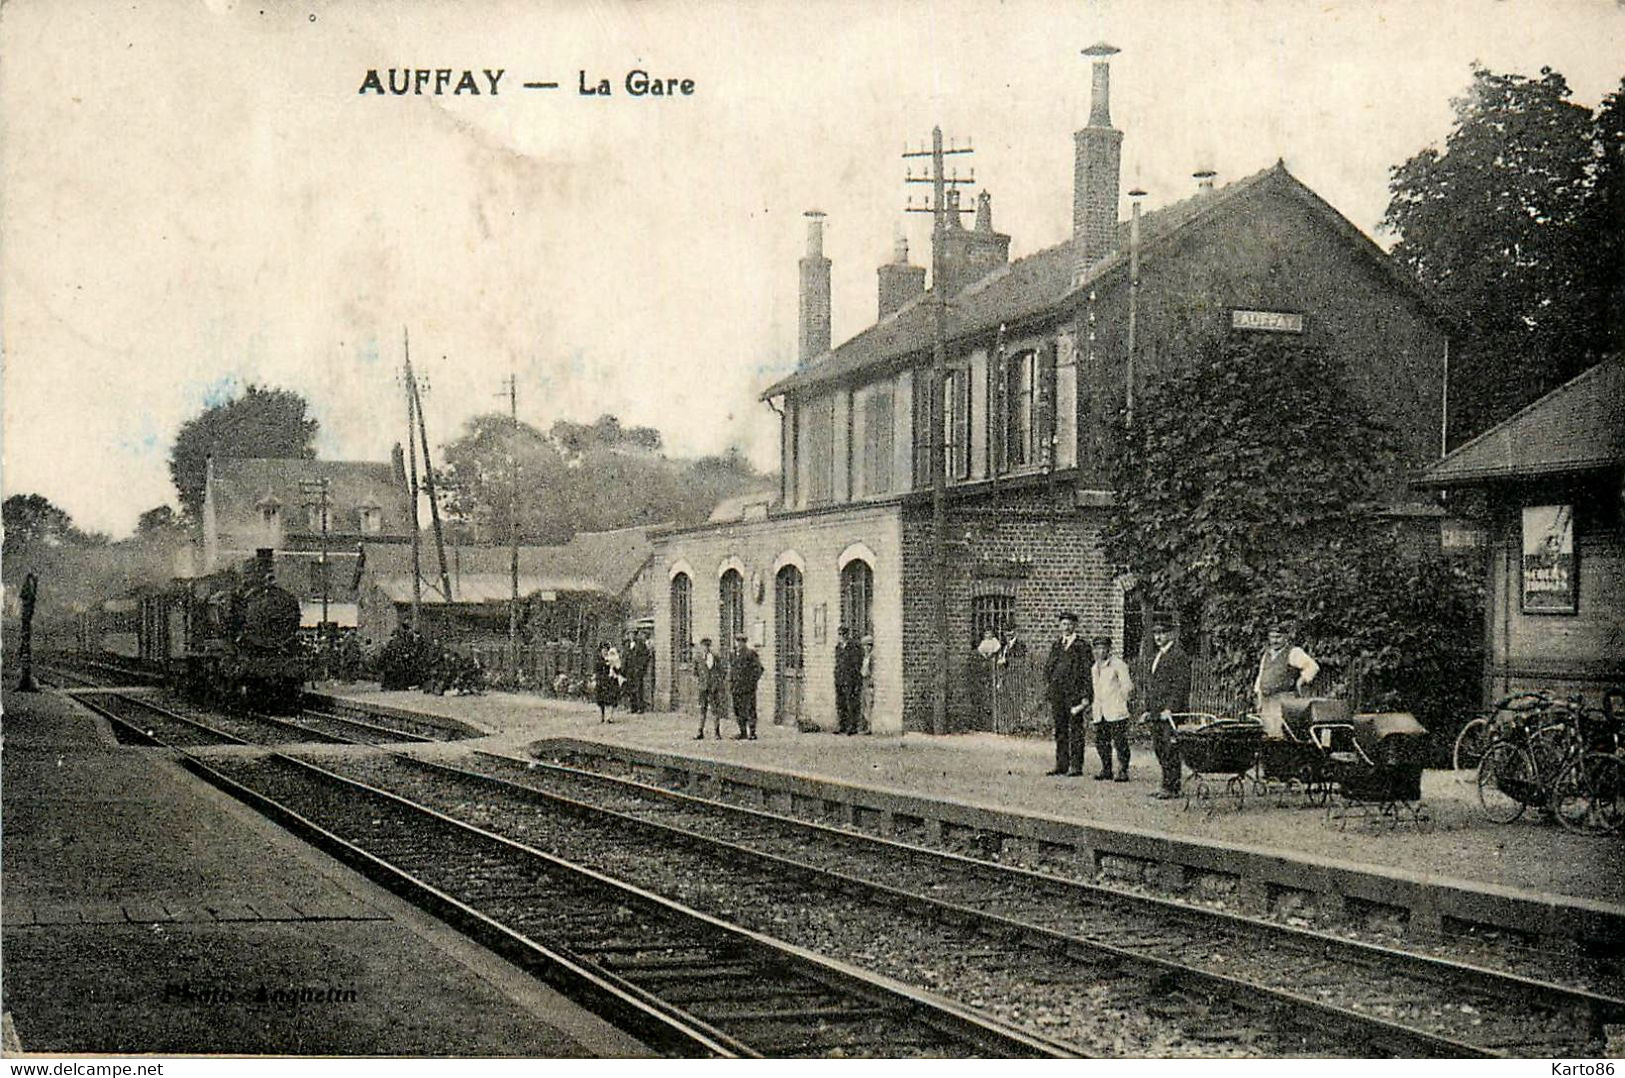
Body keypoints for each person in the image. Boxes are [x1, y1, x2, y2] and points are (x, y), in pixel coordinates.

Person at [1141, 615, 1191, 799]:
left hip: (1170, 713)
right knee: (1159, 748)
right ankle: (1165, 783)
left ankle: (1172, 786)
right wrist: (1148, 709)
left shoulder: (1178, 655)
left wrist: (1171, 708)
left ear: (1171, 634)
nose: (1158, 637)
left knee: (1170, 749)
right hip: (1156, 711)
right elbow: (1152, 685)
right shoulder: (1158, 655)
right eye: (1156, 633)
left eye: (1162, 633)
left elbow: (1180, 685)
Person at [1253, 619, 1320, 738]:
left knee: (1281, 733)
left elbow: (1312, 667)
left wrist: (1301, 681)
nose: (1275, 641)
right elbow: (1261, 676)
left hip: (1284, 699)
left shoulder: (1293, 652)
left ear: (1285, 637)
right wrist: (1259, 697)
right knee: (1267, 732)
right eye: (1272, 637)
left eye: (1278, 637)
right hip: (1267, 700)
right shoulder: (1267, 655)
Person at [1043, 613, 1091, 775]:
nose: (1066, 627)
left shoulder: (1082, 646)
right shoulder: (1057, 645)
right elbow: (1049, 668)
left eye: (1070, 624)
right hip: (1058, 695)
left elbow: (1087, 672)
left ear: (1075, 626)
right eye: (1064, 624)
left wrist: (1085, 695)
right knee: (1060, 730)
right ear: (1060, 626)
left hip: (1074, 695)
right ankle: (1061, 764)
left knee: (1075, 730)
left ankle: (1076, 765)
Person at [1090, 635, 1135, 781]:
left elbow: (1127, 686)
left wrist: (1120, 701)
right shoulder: (1094, 668)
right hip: (1100, 710)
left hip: (1115, 709)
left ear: (1109, 649)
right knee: (1101, 741)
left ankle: (1123, 770)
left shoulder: (1118, 665)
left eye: (1103, 648)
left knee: (1120, 741)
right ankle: (1106, 768)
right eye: (1097, 648)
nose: (1100, 652)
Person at [730, 633, 764, 739]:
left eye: (741, 642)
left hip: (748, 688)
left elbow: (759, 669)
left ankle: (752, 732)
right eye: (737, 642)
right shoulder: (733, 655)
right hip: (736, 687)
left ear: (745, 643)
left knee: (750, 709)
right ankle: (742, 731)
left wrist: (752, 682)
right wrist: (731, 682)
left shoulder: (750, 654)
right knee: (738, 710)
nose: (739, 644)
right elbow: (732, 670)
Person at [693, 637, 726, 739]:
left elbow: (722, 671)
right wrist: (700, 682)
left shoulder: (715, 657)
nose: (705, 648)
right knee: (702, 709)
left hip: (713, 687)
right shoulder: (698, 658)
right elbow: (695, 672)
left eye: (707, 646)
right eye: (704, 646)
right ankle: (700, 731)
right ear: (701, 646)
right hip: (703, 687)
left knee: (715, 710)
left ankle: (716, 732)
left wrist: (717, 682)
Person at [834, 625, 864, 734]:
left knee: (851, 702)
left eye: (843, 634)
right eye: (840, 634)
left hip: (850, 678)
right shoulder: (838, 647)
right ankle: (842, 725)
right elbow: (837, 662)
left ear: (847, 635)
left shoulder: (853, 648)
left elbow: (856, 663)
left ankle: (852, 726)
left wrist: (853, 676)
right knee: (840, 702)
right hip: (840, 678)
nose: (841, 637)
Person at [623, 628, 652, 713]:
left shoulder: (640, 644)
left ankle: (640, 707)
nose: (631, 636)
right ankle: (633, 707)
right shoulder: (627, 645)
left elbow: (645, 656)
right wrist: (623, 669)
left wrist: (641, 667)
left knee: (638, 688)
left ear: (635, 635)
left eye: (633, 634)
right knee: (630, 688)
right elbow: (624, 657)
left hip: (637, 670)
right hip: (629, 670)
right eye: (629, 634)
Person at [594, 642, 623, 723]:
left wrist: (613, 666)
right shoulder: (599, 660)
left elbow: (618, 670)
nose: (604, 652)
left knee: (612, 698)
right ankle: (602, 716)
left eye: (606, 650)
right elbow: (597, 670)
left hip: (610, 681)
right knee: (601, 699)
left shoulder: (613, 658)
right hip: (602, 681)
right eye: (603, 650)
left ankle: (610, 716)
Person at [859, 633, 876, 734]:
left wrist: (871, 680)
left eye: (868, 645)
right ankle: (864, 726)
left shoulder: (871, 657)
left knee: (869, 704)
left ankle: (869, 727)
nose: (866, 648)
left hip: (869, 681)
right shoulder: (865, 657)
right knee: (864, 704)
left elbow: (872, 670)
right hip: (864, 680)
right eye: (865, 645)